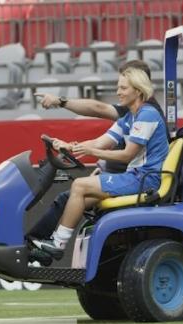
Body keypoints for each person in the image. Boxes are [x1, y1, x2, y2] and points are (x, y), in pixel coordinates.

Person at [31, 67, 169, 260]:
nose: (118, 92)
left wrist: (92, 152)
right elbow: (99, 142)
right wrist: (69, 146)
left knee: (79, 185)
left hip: (145, 180)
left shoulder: (147, 115)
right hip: (135, 177)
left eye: (123, 88)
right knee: (78, 197)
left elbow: (127, 155)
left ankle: (57, 244)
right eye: (118, 87)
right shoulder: (130, 117)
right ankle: (50, 246)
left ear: (138, 91)